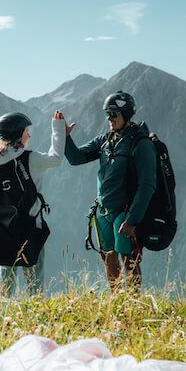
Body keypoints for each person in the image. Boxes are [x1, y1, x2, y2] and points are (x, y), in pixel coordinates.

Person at [63, 91, 156, 291]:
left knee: (129, 258)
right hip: (104, 210)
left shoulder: (141, 144)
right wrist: (65, 137)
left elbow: (147, 185)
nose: (109, 119)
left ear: (126, 114)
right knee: (108, 256)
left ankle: (134, 305)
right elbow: (76, 158)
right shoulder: (105, 141)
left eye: (114, 114)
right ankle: (115, 301)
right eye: (107, 114)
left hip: (125, 212)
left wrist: (132, 219)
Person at [0, 110, 66, 297]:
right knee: (34, 274)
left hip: (3, 227)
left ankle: (3, 313)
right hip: (30, 226)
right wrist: (58, 128)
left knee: (6, 273)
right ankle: (35, 311)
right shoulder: (30, 158)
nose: (29, 134)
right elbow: (56, 159)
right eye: (25, 131)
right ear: (18, 134)